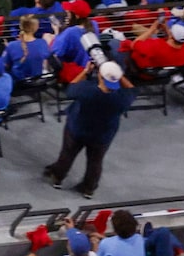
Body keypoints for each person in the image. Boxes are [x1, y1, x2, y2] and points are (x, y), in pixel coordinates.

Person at [44, 61, 133, 198]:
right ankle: (89, 188)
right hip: (102, 136)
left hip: (77, 129)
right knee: (95, 162)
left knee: (67, 154)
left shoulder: (88, 90)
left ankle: (57, 177)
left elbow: (71, 89)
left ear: (100, 77)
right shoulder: (122, 99)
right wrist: (117, 75)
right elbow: (131, 89)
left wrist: (86, 71)